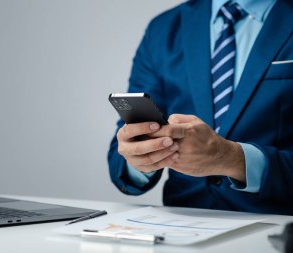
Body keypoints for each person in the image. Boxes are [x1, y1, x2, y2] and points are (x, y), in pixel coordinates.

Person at [107, 0, 293, 215]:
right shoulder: (163, 28)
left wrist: (233, 159)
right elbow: (121, 157)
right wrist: (141, 156)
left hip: (276, 228)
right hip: (181, 227)